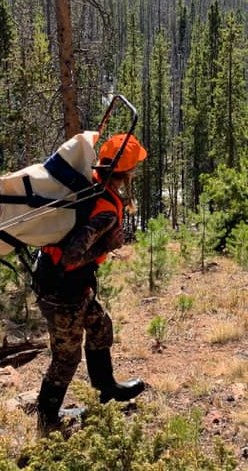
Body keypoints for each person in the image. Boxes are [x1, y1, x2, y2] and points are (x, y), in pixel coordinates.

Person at [32, 132, 148, 436]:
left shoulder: (89, 181)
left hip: (65, 283)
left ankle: (104, 391)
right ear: (127, 172)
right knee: (66, 358)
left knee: (99, 326)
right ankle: (47, 421)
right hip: (62, 289)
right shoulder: (105, 208)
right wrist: (107, 246)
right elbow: (71, 257)